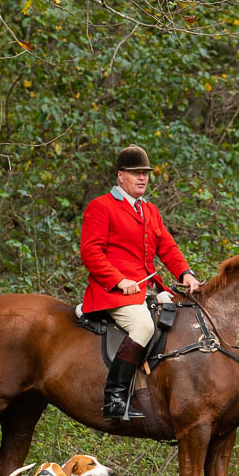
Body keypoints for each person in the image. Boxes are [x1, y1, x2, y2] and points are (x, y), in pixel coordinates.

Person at [79, 145, 200, 420]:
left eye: (145, 173)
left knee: (183, 316)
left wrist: (185, 273)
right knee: (144, 326)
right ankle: (115, 397)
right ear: (121, 176)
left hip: (146, 289)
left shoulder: (150, 210)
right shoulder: (101, 207)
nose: (142, 178)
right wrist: (119, 280)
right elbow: (90, 252)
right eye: (136, 173)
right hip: (112, 292)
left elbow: (167, 247)